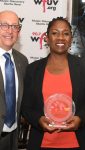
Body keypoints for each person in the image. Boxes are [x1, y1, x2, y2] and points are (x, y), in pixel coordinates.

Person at [21, 17, 85, 150]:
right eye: (55, 33)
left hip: (78, 144)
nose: (60, 37)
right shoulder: (33, 69)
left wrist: (80, 119)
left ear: (71, 39)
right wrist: (39, 120)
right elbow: (26, 107)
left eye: (66, 33)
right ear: (47, 38)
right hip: (42, 144)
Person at [0, 10, 28, 150]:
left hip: (13, 138)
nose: (10, 30)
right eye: (4, 25)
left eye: (15, 26)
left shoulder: (22, 61)